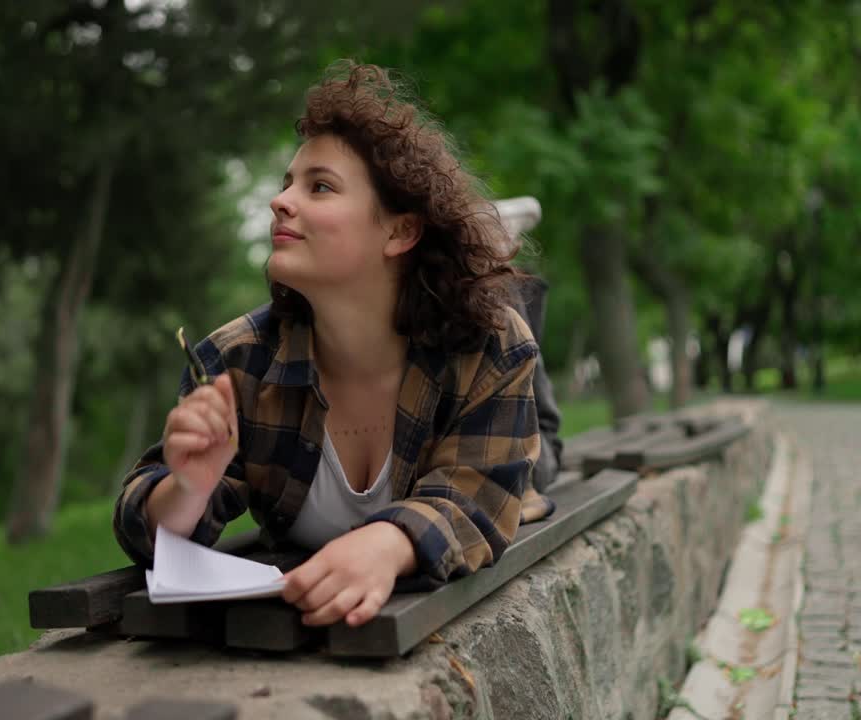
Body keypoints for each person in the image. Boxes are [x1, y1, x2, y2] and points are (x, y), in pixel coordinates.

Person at [113, 61, 552, 630]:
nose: (281, 202)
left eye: (318, 186)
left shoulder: (489, 346)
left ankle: (495, 254)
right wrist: (185, 490)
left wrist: (387, 544)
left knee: (542, 458)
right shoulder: (236, 360)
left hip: (501, 429)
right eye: (285, 184)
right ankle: (488, 243)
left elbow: (480, 498)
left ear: (399, 231)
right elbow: (141, 521)